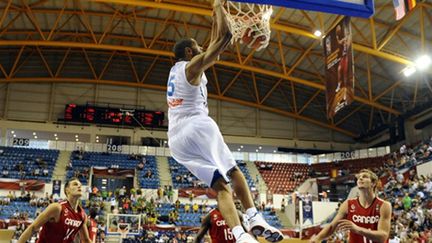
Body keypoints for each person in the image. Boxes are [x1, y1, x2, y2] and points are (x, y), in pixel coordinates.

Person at [166, 0, 282, 242]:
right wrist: (219, 4)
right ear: (189, 52)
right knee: (233, 171)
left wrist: (215, 14)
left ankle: (240, 236)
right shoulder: (192, 67)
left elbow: (213, 42)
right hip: (197, 125)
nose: (201, 49)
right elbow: (225, 37)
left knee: (220, 187)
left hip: (176, 142)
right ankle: (253, 216)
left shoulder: (176, 72)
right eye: (197, 47)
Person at [310, 169, 391, 243]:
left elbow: (383, 237)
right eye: (359, 177)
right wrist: (318, 238)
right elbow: (332, 226)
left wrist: (357, 229)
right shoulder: (348, 204)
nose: (360, 179)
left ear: (373, 183)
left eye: (365, 177)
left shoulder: (384, 205)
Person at [18, 177, 92, 243]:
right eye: (75, 184)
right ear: (67, 190)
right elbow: (32, 228)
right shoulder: (57, 208)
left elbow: (86, 240)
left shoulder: (82, 215)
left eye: (80, 185)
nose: (79, 186)